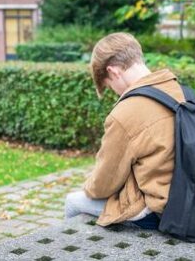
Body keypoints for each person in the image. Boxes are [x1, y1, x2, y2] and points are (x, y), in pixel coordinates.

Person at [64, 32, 184, 229]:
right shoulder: (176, 88)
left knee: (73, 201)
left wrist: (88, 186)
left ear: (113, 72)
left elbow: (102, 186)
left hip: (159, 208)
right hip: (191, 195)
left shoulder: (126, 112)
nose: (116, 92)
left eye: (109, 86)